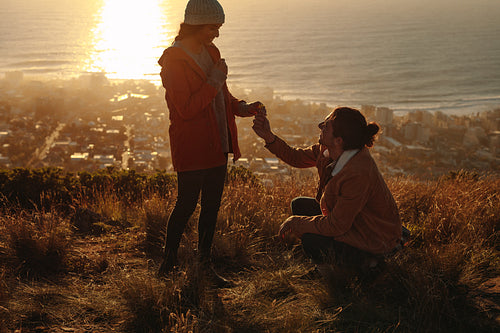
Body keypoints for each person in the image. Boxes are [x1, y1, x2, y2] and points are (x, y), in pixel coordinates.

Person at [157, 0, 266, 284]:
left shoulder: (210, 51)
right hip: (192, 146)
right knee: (186, 204)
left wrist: (242, 107)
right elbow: (187, 108)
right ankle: (168, 265)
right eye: (212, 27)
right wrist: (216, 79)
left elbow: (221, 97)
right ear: (195, 25)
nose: (216, 34)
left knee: (211, 208)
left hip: (218, 144)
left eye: (218, 28)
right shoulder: (173, 60)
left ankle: (204, 267)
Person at [252, 106, 402, 276]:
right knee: (300, 205)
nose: (320, 126)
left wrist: (296, 223)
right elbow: (295, 157)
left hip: (372, 236)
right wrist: (268, 137)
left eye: (326, 126)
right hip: (351, 222)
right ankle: (330, 265)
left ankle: (363, 265)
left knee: (311, 240)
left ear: (339, 140)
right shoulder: (328, 151)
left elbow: (336, 225)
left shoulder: (358, 172)